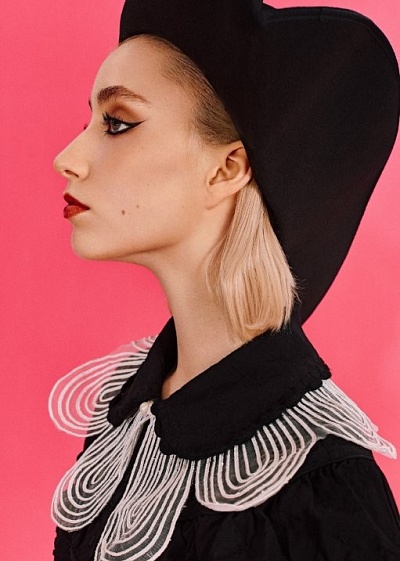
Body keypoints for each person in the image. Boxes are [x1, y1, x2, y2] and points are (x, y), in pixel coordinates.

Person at [50, 1, 400, 559]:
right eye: (88, 122)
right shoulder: (125, 417)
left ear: (227, 168)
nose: (66, 159)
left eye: (117, 123)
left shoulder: (325, 488)